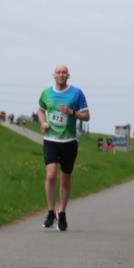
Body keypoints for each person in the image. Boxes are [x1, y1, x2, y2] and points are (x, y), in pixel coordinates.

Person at [37, 65, 90, 232]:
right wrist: (43, 122)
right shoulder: (46, 93)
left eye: (64, 72)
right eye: (58, 72)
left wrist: (71, 112)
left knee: (65, 179)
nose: (61, 75)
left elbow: (87, 116)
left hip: (69, 141)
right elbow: (40, 110)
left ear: (68, 76)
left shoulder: (76, 93)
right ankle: (51, 211)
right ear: (54, 75)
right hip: (51, 140)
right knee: (51, 175)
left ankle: (62, 212)